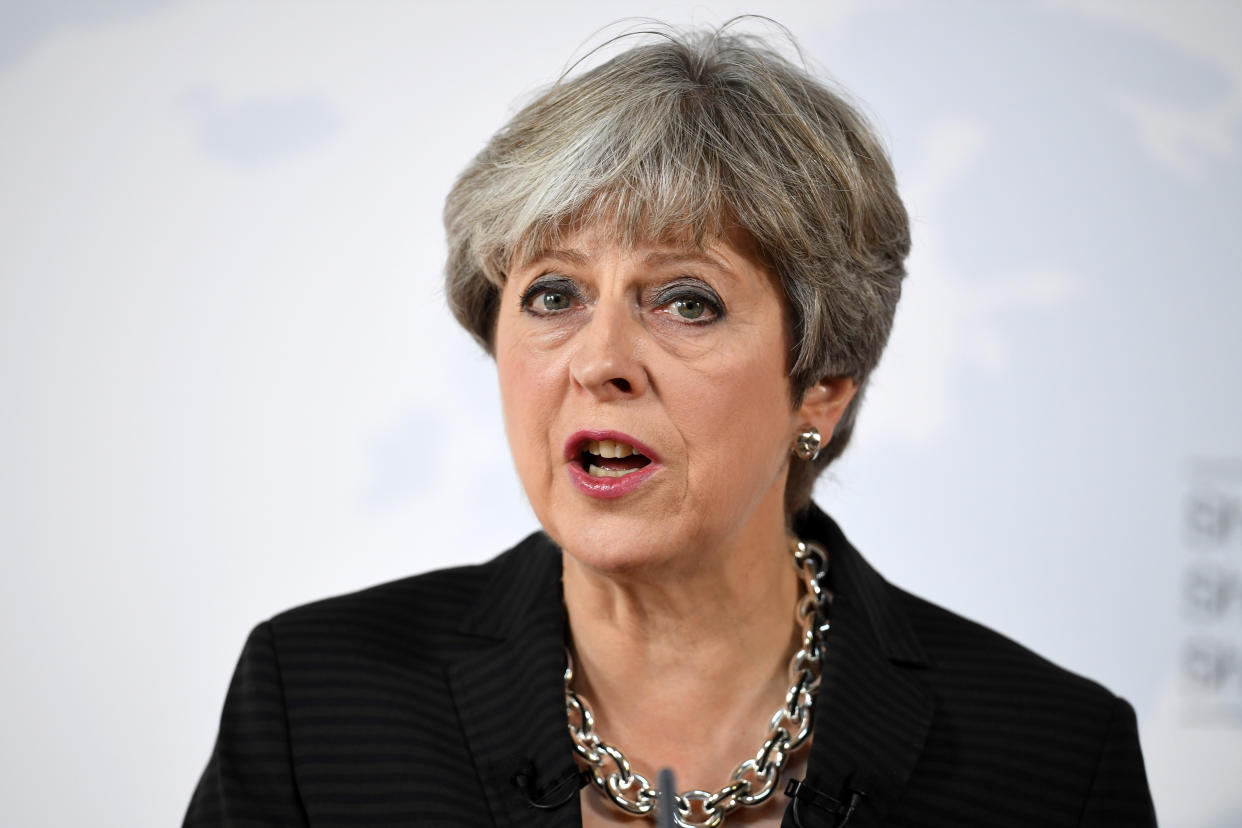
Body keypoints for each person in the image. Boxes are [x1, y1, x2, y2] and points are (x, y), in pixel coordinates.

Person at [184, 23, 1157, 828]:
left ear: (821, 384)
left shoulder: (1053, 758)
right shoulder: (317, 703)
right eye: (554, 293)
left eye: (685, 302)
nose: (600, 359)